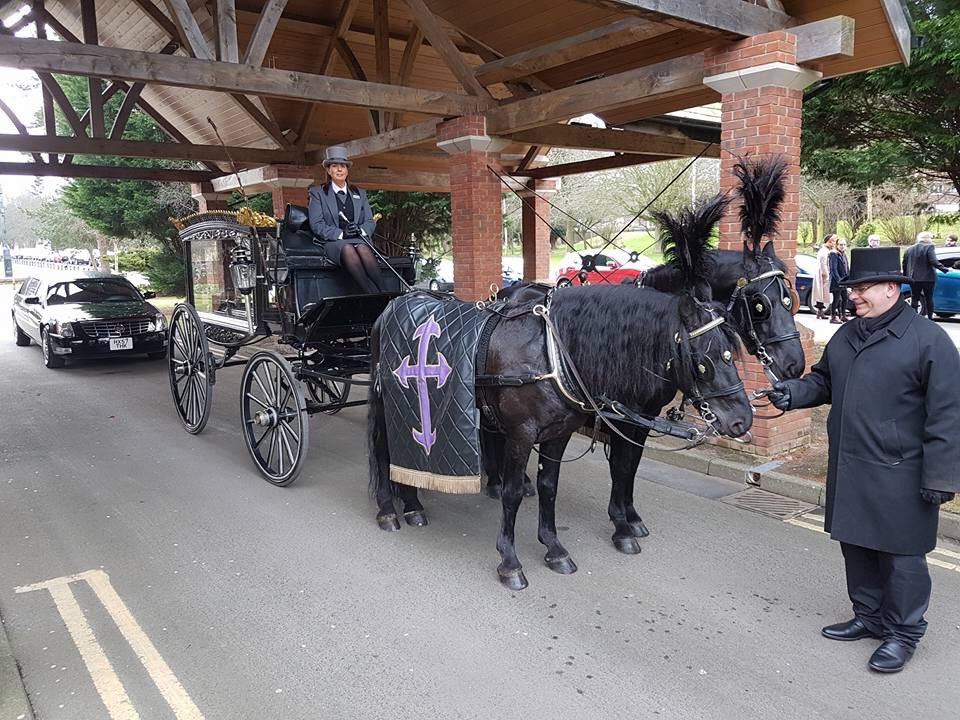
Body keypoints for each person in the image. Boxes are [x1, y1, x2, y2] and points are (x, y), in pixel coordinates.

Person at [767, 247, 960, 674]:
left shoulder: (929, 341)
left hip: (901, 471)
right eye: (852, 288)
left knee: (902, 558)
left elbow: (949, 414)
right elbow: (823, 381)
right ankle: (869, 617)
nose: (854, 295)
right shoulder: (849, 334)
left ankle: (903, 634)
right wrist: (793, 393)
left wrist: (942, 476)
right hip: (851, 465)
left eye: (863, 288)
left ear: (892, 289)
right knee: (856, 546)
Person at [307, 146, 384, 293]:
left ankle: (383, 291)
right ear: (329, 171)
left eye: (343, 166)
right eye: (334, 166)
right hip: (333, 242)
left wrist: (360, 230)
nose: (339, 170)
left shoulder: (359, 193)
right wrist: (341, 234)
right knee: (348, 248)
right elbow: (317, 225)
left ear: (347, 170)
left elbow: (369, 221)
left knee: (363, 248)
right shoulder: (318, 193)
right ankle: (370, 293)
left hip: (359, 239)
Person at [902, 231, 948, 320]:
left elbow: (904, 263)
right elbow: (933, 261)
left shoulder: (909, 249)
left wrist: (905, 276)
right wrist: (944, 269)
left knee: (915, 298)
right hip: (928, 278)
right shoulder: (929, 247)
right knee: (928, 298)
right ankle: (930, 317)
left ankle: (913, 317)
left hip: (914, 277)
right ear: (928, 238)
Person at [812, 234, 835, 320]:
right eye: (832, 241)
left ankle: (820, 311)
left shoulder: (826, 250)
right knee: (821, 292)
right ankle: (820, 311)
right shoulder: (824, 251)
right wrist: (826, 274)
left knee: (821, 293)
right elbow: (823, 264)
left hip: (822, 273)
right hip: (822, 274)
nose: (834, 243)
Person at [828, 238, 850, 323]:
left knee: (845, 298)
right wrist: (839, 280)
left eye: (844, 245)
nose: (842, 246)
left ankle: (843, 315)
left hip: (844, 281)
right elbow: (833, 269)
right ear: (837, 245)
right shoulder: (833, 254)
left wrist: (848, 280)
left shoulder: (843, 254)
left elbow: (846, 268)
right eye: (841, 244)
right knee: (837, 299)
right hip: (836, 282)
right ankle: (833, 316)